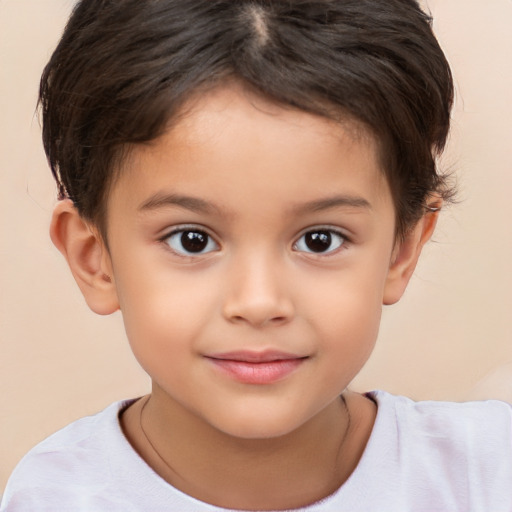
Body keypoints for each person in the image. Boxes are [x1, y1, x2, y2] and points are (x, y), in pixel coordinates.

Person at [1, 0, 511, 510]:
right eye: (192, 240)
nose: (259, 301)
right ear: (95, 259)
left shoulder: (485, 476)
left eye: (320, 240)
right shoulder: (55, 496)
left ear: (402, 249)